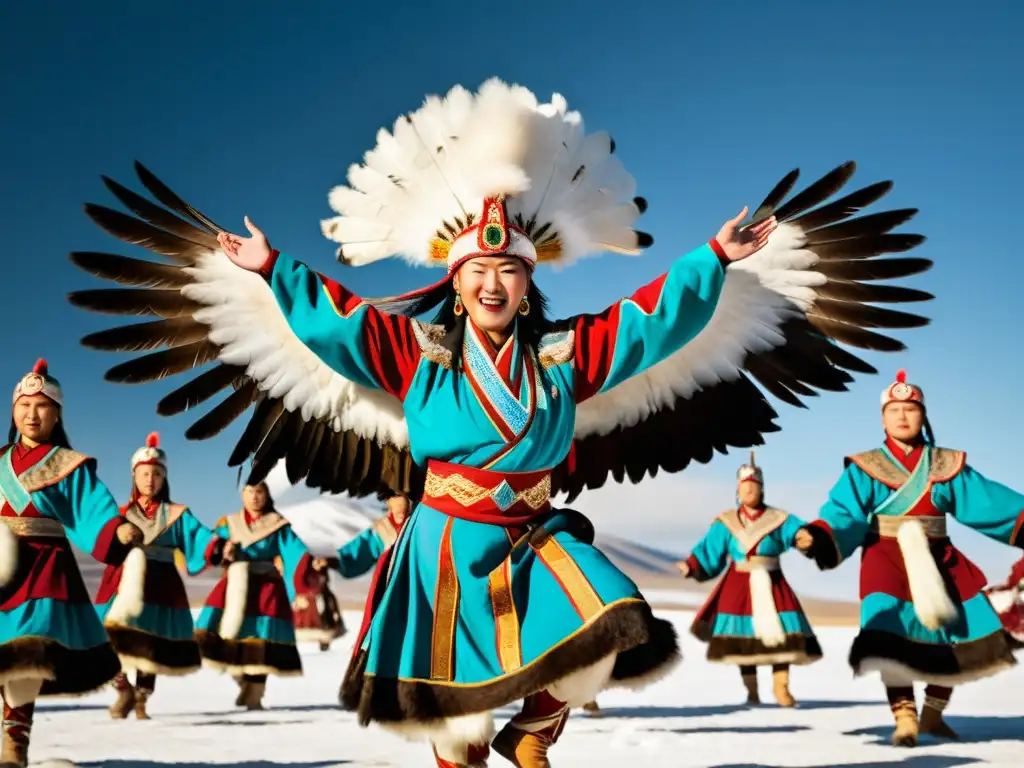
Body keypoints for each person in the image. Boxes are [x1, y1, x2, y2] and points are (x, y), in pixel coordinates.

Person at [70, 81, 932, 767]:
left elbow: (651, 322)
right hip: (444, 541)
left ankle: (535, 734)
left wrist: (715, 261)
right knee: (454, 721)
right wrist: (270, 272)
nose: (492, 285)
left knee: (610, 624)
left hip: (532, 533)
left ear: (528, 283)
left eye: (507, 273)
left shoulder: (568, 356)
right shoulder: (412, 356)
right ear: (457, 282)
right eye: (477, 272)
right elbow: (335, 323)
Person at [799, 370, 1024, 747]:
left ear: (923, 415)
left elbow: (988, 502)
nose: (902, 416)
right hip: (885, 557)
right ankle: (905, 716)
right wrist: (821, 533)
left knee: (958, 632)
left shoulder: (946, 465)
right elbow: (844, 513)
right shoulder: (865, 467)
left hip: (941, 558)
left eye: (910, 409)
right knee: (888, 631)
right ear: (883, 417)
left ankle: (934, 714)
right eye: (894, 410)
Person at [0, 359, 143, 767]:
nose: (32, 414)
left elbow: (92, 507)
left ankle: (14, 748)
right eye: (24, 405)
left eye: (42, 405)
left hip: (43, 571)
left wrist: (116, 529)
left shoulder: (69, 465)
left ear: (57, 413)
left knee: (25, 655)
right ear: (12, 411)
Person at [96, 431, 228, 719]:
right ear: (134, 476)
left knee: (150, 644)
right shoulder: (118, 513)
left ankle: (142, 698)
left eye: (156, 473)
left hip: (160, 585)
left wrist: (218, 546)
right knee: (102, 640)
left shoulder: (177, 515)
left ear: (164, 477)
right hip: (122, 581)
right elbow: (98, 535)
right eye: (144, 473)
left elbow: (200, 535)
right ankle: (123, 691)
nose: (150, 479)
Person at [675, 453, 820, 707]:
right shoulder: (726, 523)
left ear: (762, 490)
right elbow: (710, 549)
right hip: (738, 586)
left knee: (782, 636)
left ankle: (781, 688)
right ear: (737, 491)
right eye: (745, 487)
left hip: (773, 582)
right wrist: (691, 566)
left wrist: (804, 537)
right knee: (742, 642)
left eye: (754, 487)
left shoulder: (779, 518)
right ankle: (751, 691)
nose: (749, 491)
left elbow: (798, 532)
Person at [194, 482, 329, 710]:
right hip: (234, 586)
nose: (254, 497)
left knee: (261, 640)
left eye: (260, 492)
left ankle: (255, 692)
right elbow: (209, 545)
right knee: (214, 633)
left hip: (267, 589)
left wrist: (310, 563)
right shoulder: (230, 524)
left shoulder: (278, 526)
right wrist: (221, 549)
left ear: (267, 495)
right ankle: (243, 682)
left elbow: (296, 552)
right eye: (249, 491)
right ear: (242, 495)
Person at [294, 492, 411, 651]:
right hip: (389, 589)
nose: (398, 500)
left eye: (402, 495)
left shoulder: (420, 523)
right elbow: (358, 553)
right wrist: (333, 562)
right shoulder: (382, 530)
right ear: (387, 500)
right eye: (394, 495)